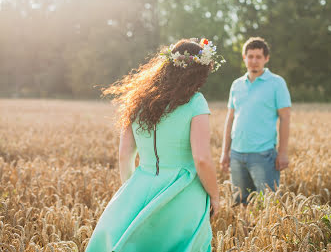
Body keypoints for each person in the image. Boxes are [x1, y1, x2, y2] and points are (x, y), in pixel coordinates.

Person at [85, 38, 224, 252]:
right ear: (198, 73)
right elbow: (202, 159)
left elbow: (125, 155)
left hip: (141, 182)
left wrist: (132, 192)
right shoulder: (196, 102)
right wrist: (214, 196)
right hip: (185, 192)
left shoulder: (138, 101)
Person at [220, 37, 291, 205]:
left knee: (269, 206)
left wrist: (282, 152)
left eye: (258, 57)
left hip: (263, 155)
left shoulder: (277, 83)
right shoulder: (236, 85)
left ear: (266, 59)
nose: (254, 61)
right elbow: (230, 119)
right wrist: (225, 152)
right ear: (244, 58)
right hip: (237, 155)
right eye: (250, 56)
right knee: (240, 204)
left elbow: (285, 118)